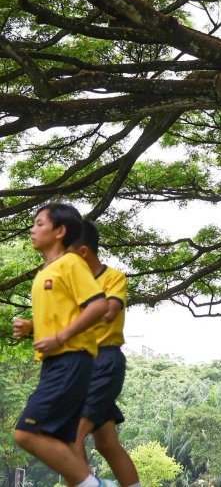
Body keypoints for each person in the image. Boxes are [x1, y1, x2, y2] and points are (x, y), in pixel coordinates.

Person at [12, 203, 108, 487]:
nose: (33, 229)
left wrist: (59, 338)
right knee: (64, 444)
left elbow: (99, 305)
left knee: (26, 434)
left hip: (70, 360)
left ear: (60, 231)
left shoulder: (71, 264)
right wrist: (33, 328)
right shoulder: (45, 272)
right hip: (58, 361)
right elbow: (63, 317)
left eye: (40, 223)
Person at [69, 220, 141, 486]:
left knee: (71, 439)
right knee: (107, 443)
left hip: (104, 363)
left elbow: (109, 313)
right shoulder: (70, 284)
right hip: (79, 365)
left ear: (83, 251)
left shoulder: (113, 277)